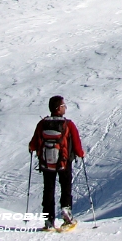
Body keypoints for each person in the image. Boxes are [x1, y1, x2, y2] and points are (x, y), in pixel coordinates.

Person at [29, 96, 85, 231]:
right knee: (65, 187)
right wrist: (81, 153)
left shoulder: (42, 124)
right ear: (58, 108)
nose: (65, 107)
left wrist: (33, 149)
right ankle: (66, 213)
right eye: (63, 105)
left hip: (47, 163)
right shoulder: (68, 124)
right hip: (64, 162)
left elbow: (33, 144)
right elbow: (77, 144)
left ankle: (48, 220)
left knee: (48, 189)